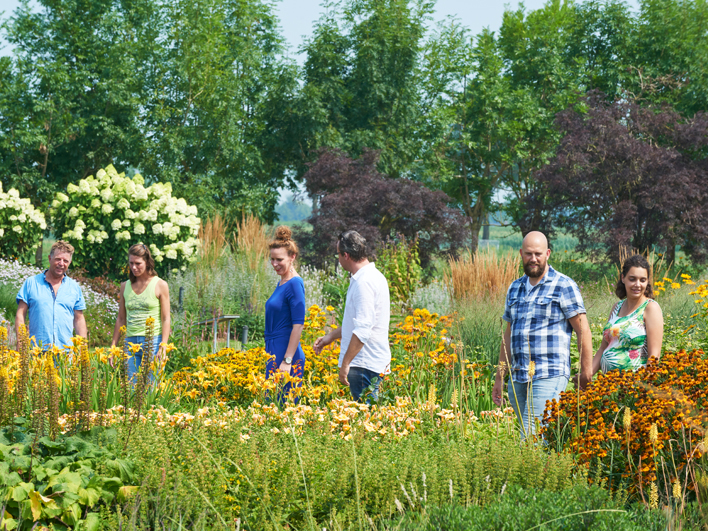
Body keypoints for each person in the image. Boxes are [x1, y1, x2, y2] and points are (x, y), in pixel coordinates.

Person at [492, 231, 593, 437]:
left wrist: (586, 373)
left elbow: (583, 330)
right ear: (521, 254)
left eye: (538, 254)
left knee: (530, 437)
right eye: (528, 254)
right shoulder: (515, 288)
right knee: (532, 436)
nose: (533, 259)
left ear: (547, 253)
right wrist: (500, 377)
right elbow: (509, 334)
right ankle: (548, 469)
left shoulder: (563, 285)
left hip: (549, 372)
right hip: (519, 375)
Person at [314, 230, 391, 402]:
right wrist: (330, 337)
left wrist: (346, 363)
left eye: (338, 255)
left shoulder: (364, 283)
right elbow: (356, 324)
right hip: (367, 363)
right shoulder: (371, 277)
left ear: (346, 255)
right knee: (369, 418)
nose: (338, 259)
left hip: (363, 364)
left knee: (366, 420)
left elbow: (363, 329)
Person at [592, 254, 663, 374]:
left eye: (642, 280)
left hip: (634, 385)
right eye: (632, 279)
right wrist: (587, 375)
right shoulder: (617, 307)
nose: (637, 284)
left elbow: (654, 355)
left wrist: (646, 387)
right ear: (623, 278)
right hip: (609, 386)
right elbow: (603, 348)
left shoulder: (650, 308)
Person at [111, 244, 170, 382]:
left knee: (151, 388)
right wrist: (113, 346)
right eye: (131, 263)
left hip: (153, 342)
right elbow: (121, 319)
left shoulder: (160, 285)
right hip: (129, 342)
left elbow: (166, 318)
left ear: (147, 262)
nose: (134, 267)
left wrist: (163, 345)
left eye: (138, 263)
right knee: (131, 388)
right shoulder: (125, 286)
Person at [16, 240, 87, 350]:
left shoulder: (74, 287)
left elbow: (79, 319)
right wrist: (21, 343)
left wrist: (83, 349)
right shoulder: (31, 283)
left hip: (65, 353)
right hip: (37, 352)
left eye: (65, 261)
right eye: (58, 259)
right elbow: (20, 314)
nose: (61, 263)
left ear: (69, 263)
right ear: (50, 258)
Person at [264, 226, 306, 402]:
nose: (274, 264)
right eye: (272, 259)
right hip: (275, 350)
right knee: (271, 406)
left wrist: (287, 361)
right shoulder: (282, 281)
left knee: (281, 408)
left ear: (292, 257)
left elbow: (298, 324)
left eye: (279, 259)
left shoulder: (295, 284)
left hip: (286, 354)